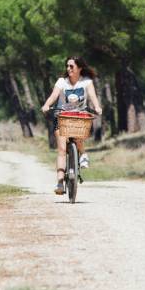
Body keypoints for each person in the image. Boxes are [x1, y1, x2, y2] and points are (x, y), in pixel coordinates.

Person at [41, 56, 102, 195]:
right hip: (62, 117)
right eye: (67, 66)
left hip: (79, 117)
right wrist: (46, 105)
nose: (68, 69)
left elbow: (93, 96)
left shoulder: (86, 82)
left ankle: (83, 154)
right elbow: (54, 95)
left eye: (71, 66)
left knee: (79, 137)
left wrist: (97, 107)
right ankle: (60, 182)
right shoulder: (62, 82)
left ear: (79, 68)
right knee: (62, 149)